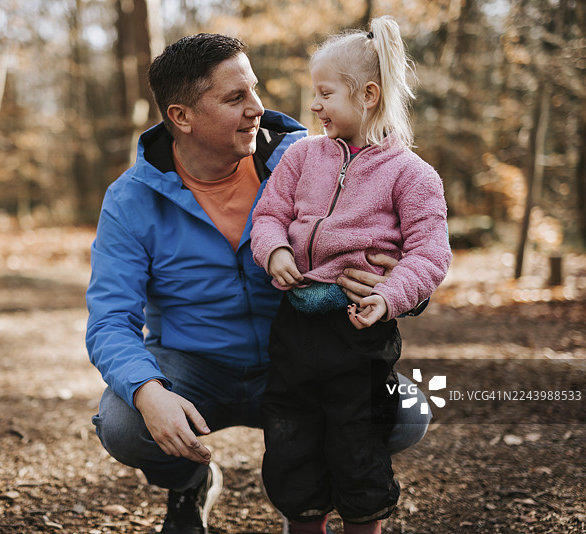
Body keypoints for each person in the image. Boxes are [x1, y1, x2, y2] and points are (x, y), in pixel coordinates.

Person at [86, 32, 432, 534]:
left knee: (406, 414)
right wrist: (147, 390)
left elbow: (411, 237)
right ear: (181, 117)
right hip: (198, 369)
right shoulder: (130, 200)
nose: (258, 108)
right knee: (125, 423)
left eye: (254, 89)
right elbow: (110, 320)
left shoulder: (312, 159)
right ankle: (189, 482)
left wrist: (396, 287)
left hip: (302, 357)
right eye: (235, 98)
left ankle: (337, 485)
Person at [250, 16, 452, 534]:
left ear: (367, 95)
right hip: (295, 326)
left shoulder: (411, 174)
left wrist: (389, 296)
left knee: (356, 440)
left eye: (324, 94)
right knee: (291, 439)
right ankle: (304, 520)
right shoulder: (300, 157)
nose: (313, 106)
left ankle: (364, 522)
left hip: (360, 330)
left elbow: (430, 255)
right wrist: (273, 252)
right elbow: (268, 215)